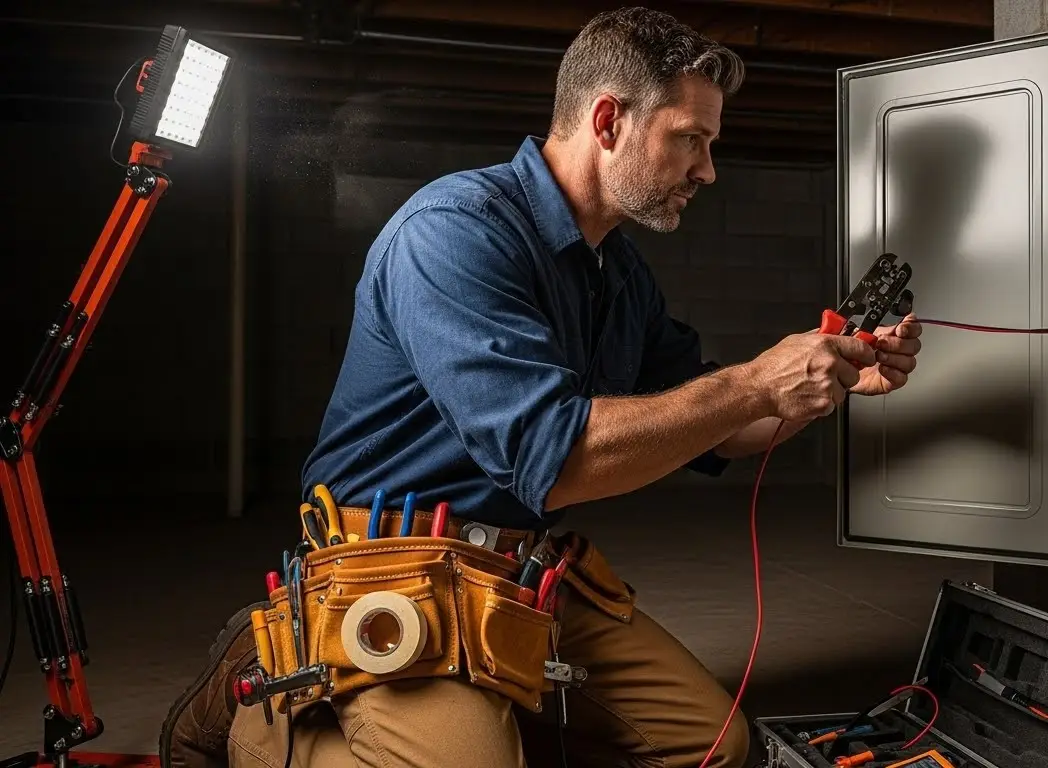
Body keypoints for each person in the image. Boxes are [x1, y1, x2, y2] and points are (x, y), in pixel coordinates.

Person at [159, 7, 922, 767]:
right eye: (691, 139)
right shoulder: (453, 231)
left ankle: (462, 715)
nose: (706, 170)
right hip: (391, 568)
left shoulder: (617, 272)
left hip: (519, 576)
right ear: (608, 120)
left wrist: (826, 380)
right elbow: (557, 460)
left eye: (709, 144)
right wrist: (757, 380)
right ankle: (260, 708)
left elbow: (720, 425)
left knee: (715, 750)